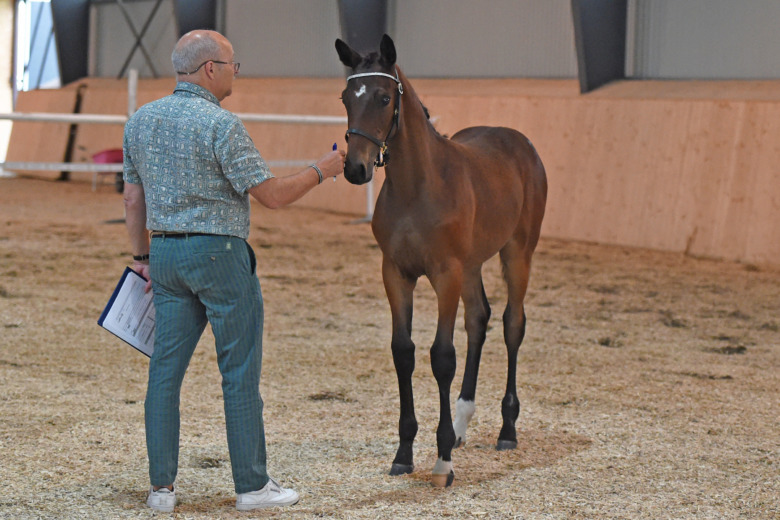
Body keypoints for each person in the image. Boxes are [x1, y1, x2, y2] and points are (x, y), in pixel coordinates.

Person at [122, 29, 345, 513]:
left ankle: (161, 490)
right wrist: (324, 169)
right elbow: (272, 196)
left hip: (163, 257)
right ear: (209, 70)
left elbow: (133, 198)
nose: (236, 70)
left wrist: (140, 258)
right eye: (232, 63)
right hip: (220, 256)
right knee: (239, 374)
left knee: (164, 374)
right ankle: (251, 486)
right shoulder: (221, 125)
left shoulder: (140, 121)